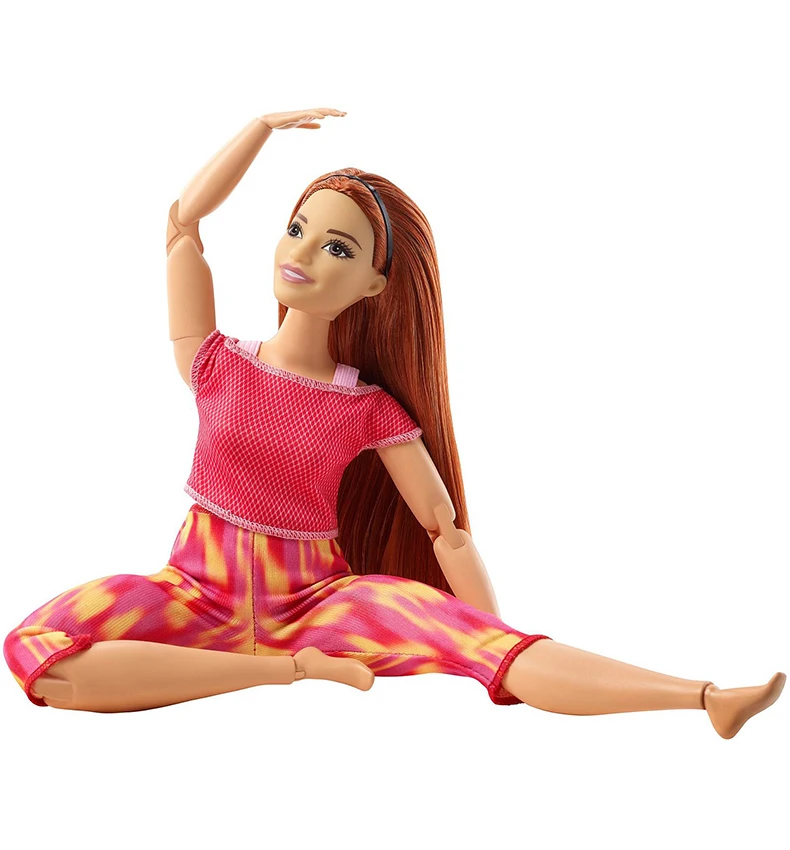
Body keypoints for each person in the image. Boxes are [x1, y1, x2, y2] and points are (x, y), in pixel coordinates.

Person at [3, 108, 784, 738]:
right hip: (193, 594)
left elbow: (445, 530)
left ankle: (703, 698)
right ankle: (283, 672)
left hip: (319, 605)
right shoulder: (217, 364)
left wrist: (487, 641)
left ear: (376, 284)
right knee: (35, 651)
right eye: (297, 228)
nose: (304, 254)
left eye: (338, 247)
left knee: (496, 647)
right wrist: (259, 130)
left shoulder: (368, 408)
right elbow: (182, 225)